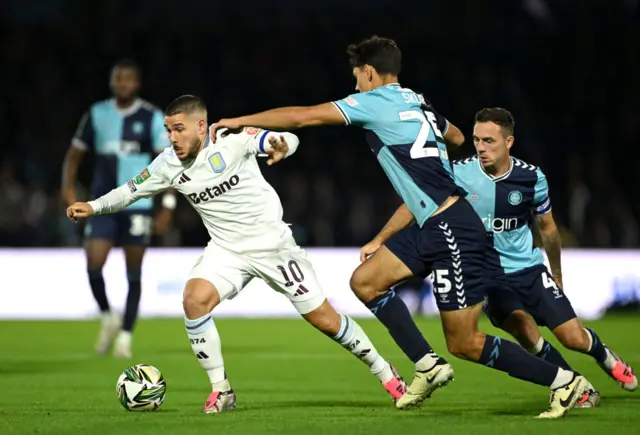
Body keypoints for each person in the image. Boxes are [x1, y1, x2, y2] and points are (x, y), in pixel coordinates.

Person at [210, 35, 588, 418]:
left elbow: (304, 116)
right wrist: (433, 168)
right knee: (365, 282)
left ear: (370, 72)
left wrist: (241, 121)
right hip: (434, 223)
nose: (355, 85)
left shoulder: (374, 101)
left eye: (357, 77)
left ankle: (563, 381)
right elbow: (456, 137)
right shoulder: (417, 100)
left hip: (452, 228)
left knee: (465, 343)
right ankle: (426, 363)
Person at [66, 94, 407, 414]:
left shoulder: (231, 139)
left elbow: (285, 139)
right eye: (169, 130)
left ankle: (385, 372)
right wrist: (93, 207)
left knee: (326, 321)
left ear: (202, 125)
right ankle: (221, 390)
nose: (172, 137)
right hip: (226, 250)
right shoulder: (167, 164)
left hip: (273, 246)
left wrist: (281, 145)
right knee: (194, 300)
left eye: (179, 129)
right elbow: (129, 192)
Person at [453, 107, 637, 406]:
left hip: (527, 269)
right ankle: (576, 385)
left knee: (573, 337)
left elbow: (548, 230)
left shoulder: (531, 178)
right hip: (487, 278)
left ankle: (604, 355)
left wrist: (557, 275)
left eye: (489, 141)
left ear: (509, 142)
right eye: (476, 140)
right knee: (526, 332)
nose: (481, 148)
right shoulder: (459, 173)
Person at [61, 59, 175, 359]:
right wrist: (68, 188)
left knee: (133, 270)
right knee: (94, 261)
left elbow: (171, 163)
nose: (123, 83)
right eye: (118, 78)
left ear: (136, 83)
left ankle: (125, 335)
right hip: (101, 203)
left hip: (139, 203)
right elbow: (74, 155)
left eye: (128, 79)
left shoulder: (151, 117)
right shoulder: (97, 114)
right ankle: (107, 316)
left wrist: (167, 204)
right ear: (112, 82)